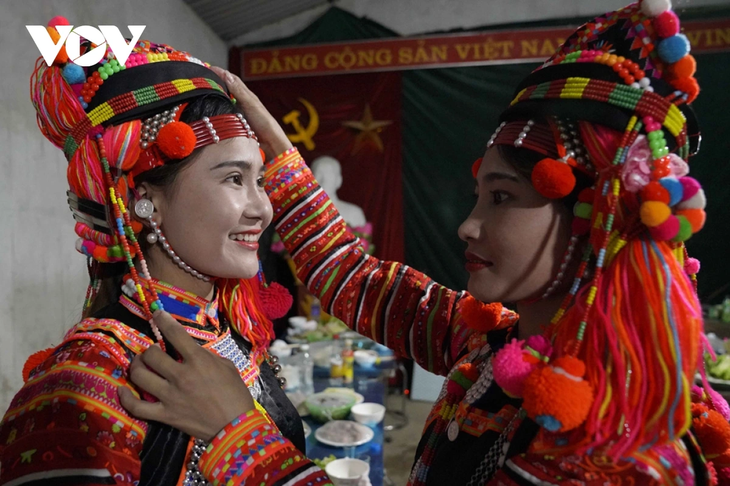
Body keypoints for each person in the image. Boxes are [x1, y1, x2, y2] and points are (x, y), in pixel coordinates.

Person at [121, 1, 730, 484]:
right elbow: (355, 279)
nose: (468, 226)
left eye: (502, 197)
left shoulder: (620, 450)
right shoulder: (495, 345)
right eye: (478, 196)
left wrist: (238, 434)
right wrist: (279, 155)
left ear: (595, 219)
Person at [0, 20, 330, 486]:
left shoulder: (231, 331)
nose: (263, 208)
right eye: (234, 178)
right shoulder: (84, 387)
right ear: (147, 200)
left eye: (260, 180)